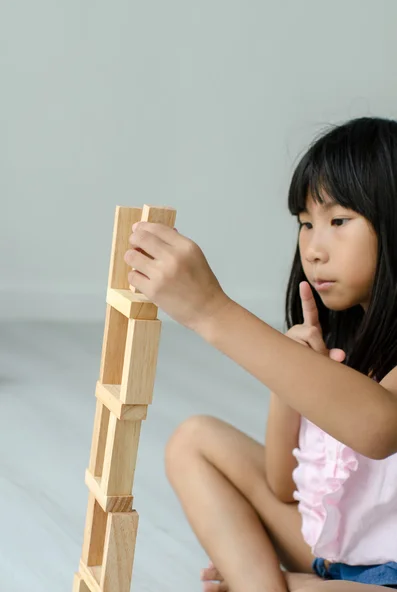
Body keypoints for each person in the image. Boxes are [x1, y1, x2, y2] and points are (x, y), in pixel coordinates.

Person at [124, 116, 397, 592]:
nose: (313, 248)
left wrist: (212, 311)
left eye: (338, 221)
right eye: (305, 224)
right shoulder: (345, 338)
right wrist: (293, 380)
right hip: (337, 556)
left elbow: (378, 428)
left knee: (264, 583)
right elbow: (281, 487)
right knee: (193, 440)